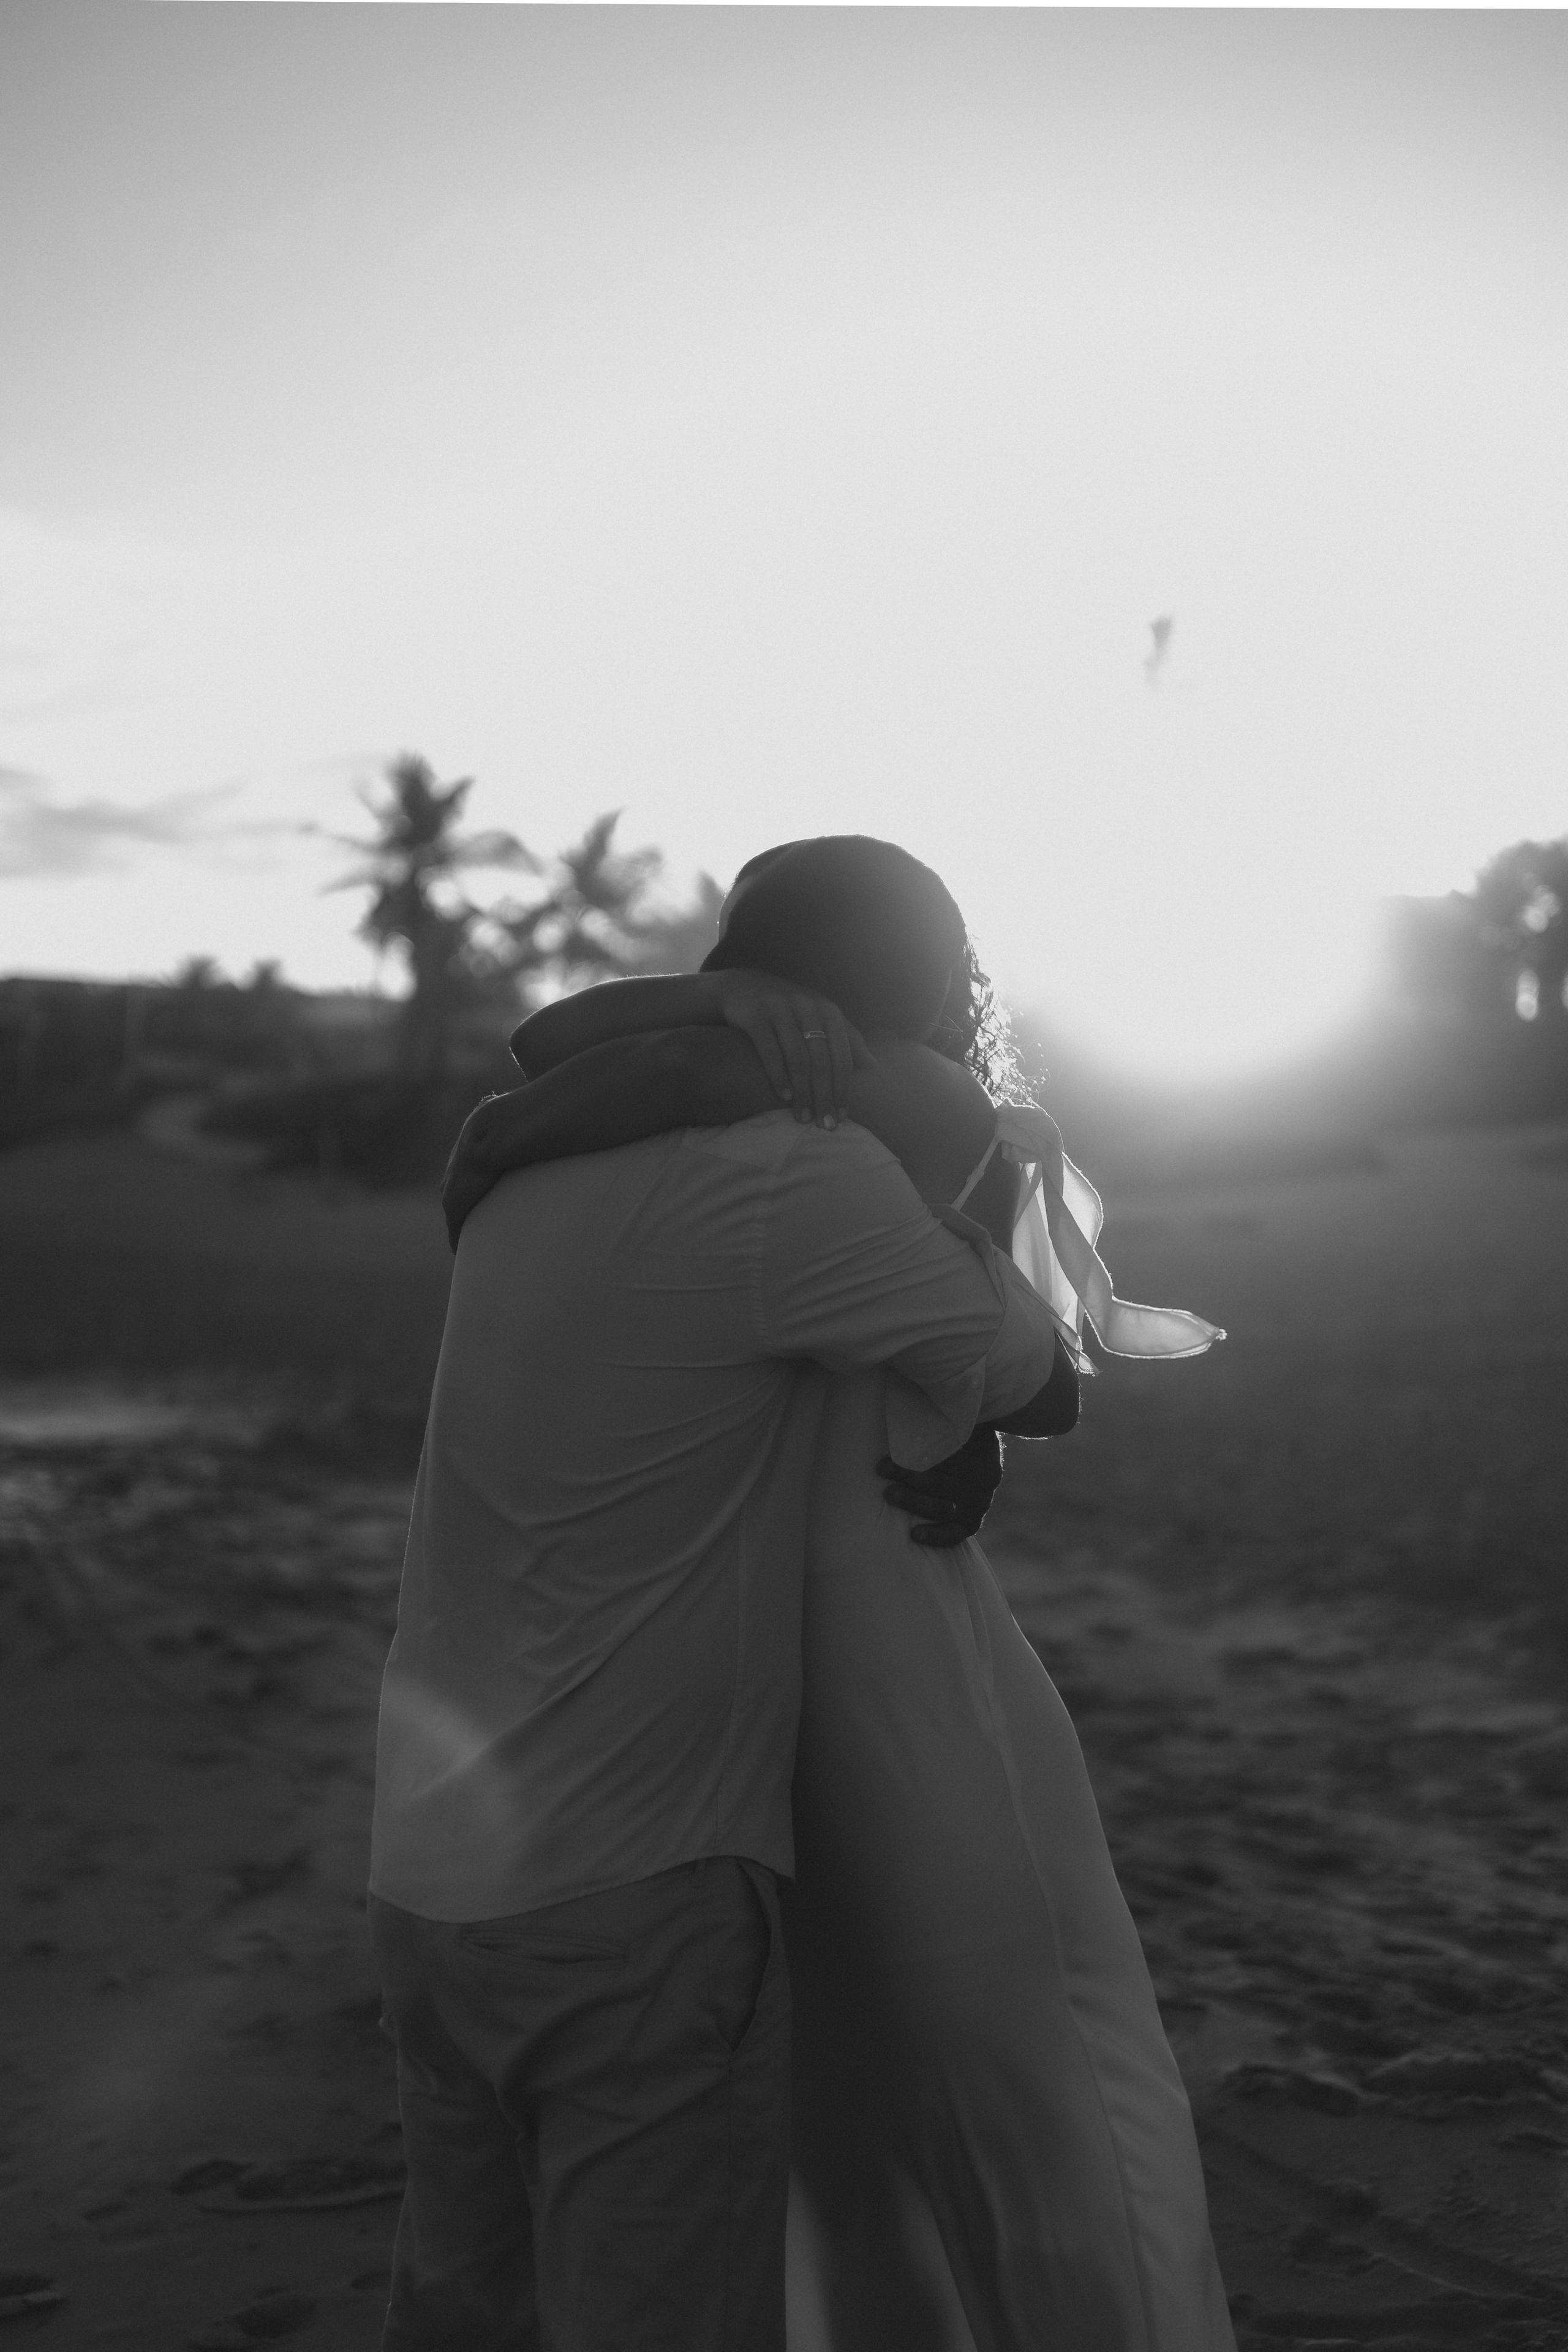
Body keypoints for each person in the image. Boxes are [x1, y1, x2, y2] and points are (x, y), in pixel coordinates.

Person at [445, 834, 1237, 2352]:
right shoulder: (820, 1089)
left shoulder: (899, 1097)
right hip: (848, 1627)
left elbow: (569, 1057)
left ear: (755, 952)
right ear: (924, 967)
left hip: (784, 1617)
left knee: (916, 2063)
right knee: (987, 2053)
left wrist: (511, 1129)